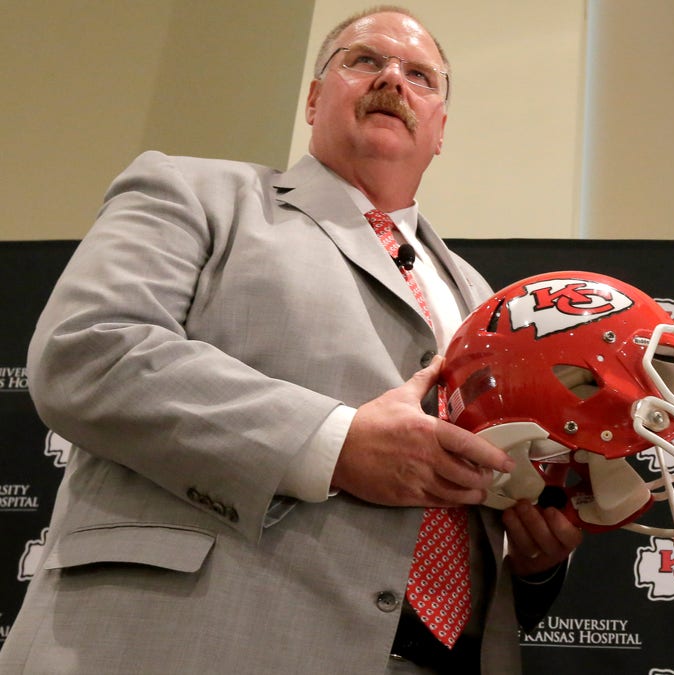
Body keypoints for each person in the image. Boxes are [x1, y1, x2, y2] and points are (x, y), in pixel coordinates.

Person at [0, 6, 581, 674]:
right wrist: (333, 444)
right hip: (191, 643)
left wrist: (533, 560)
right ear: (313, 97)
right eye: (364, 60)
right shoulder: (194, 190)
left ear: (441, 128)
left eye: (421, 75)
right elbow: (88, 351)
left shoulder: (487, 298)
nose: (393, 76)